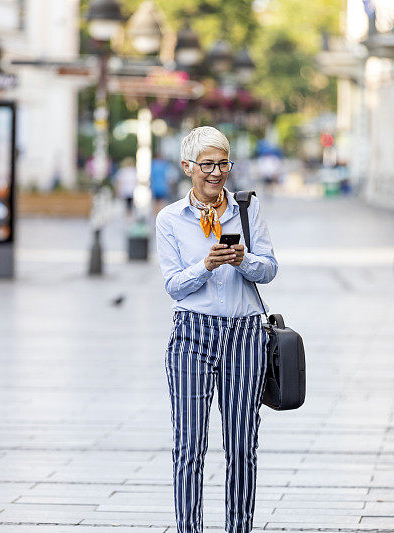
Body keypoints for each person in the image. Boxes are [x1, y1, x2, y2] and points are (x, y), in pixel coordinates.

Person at [155, 126, 278, 532]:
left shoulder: (246, 209)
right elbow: (173, 285)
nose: (216, 172)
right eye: (207, 164)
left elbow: (270, 268)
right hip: (192, 334)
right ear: (187, 166)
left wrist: (242, 260)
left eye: (223, 163)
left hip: (245, 336)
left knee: (242, 446)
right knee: (189, 446)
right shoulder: (170, 219)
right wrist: (205, 266)